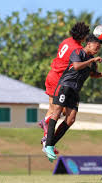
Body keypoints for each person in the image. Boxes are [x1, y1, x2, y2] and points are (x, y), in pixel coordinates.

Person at [45, 34, 102, 162]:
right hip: (65, 86)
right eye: (96, 46)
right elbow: (76, 66)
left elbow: (93, 75)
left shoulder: (92, 61)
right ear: (88, 44)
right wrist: (91, 61)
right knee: (57, 112)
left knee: (71, 119)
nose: (97, 49)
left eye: (99, 48)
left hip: (75, 90)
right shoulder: (78, 52)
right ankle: (48, 145)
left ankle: (50, 143)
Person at [38, 22, 90, 152]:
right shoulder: (77, 48)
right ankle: (47, 140)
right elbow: (78, 64)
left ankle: (47, 135)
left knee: (57, 110)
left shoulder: (66, 41)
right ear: (83, 36)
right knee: (57, 112)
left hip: (52, 75)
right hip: (59, 79)